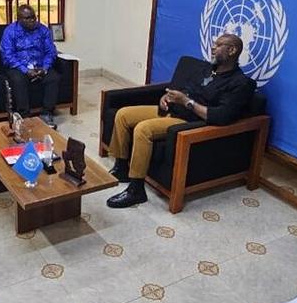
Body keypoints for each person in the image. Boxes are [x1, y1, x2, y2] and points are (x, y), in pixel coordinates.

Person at [106, 34, 256, 208]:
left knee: (143, 129)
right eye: (214, 44)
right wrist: (166, 97)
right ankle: (121, 167)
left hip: (188, 121)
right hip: (172, 110)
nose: (213, 47)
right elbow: (183, 89)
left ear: (232, 50)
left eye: (219, 45)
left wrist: (186, 101)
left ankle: (136, 190)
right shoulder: (207, 69)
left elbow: (220, 116)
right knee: (123, 115)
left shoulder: (241, 83)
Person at [0, 4, 60, 128]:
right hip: (18, 66)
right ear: (19, 19)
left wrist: (45, 68)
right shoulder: (10, 31)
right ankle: (24, 116)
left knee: (54, 77)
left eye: (33, 17)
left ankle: (46, 113)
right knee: (18, 79)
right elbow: (8, 55)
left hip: (40, 66)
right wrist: (26, 70)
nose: (32, 20)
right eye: (27, 18)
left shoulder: (43, 30)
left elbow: (51, 52)